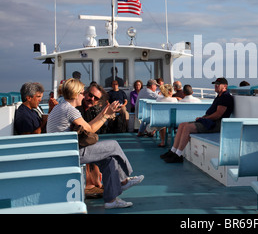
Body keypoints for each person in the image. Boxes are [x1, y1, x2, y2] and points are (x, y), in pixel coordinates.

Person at [47, 78, 144, 209]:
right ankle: (124, 180)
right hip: (71, 153)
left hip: (65, 150)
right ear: (76, 94)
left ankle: (111, 200)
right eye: (82, 93)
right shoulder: (70, 110)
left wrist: (105, 113)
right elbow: (91, 129)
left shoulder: (62, 106)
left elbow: (87, 126)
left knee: (109, 160)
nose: (83, 95)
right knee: (114, 145)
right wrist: (106, 116)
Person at [161, 77, 234, 163]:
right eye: (215, 84)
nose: (216, 86)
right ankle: (173, 151)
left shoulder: (225, 97)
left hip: (216, 124)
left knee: (187, 128)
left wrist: (204, 118)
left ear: (225, 86)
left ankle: (178, 154)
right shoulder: (219, 96)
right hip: (210, 121)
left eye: (218, 85)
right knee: (182, 125)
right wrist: (203, 118)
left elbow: (218, 115)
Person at [76, 82, 108, 199]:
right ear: (84, 93)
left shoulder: (88, 110)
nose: (92, 99)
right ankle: (89, 185)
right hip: (74, 146)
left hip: (79, 143)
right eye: (90, 95)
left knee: (98, 148)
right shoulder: (77, 109)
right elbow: (88, 130)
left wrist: (104, 113)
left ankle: (96, 183)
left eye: (96, 98)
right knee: (108, 149)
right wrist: (105, 115)